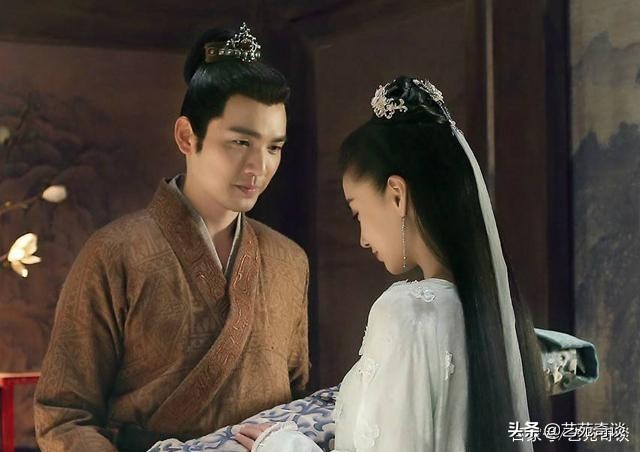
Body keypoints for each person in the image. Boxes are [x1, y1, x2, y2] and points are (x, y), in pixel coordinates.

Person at [232, 76, 550, 451]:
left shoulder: (409, 313)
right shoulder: (496, 309)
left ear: (397, 195)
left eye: (357, 213)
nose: (363, 238)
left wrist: (281, 444)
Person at [34, 23, 310, 452]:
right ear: (186, 136)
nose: (259, 166)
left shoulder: (289, 260)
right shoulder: (113, 254)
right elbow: (63, 416)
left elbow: (296, 406)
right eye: (240, 142)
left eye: (274, 147)